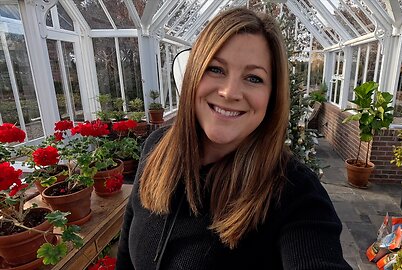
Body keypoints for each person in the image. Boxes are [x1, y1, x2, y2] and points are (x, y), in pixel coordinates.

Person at [116, 7, 352, 270]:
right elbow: (127, 244)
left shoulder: (294, 194)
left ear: (272, 96)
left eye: (254, 78)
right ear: (193, 75)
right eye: (216, 69)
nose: (230, 92)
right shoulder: (157, 147)